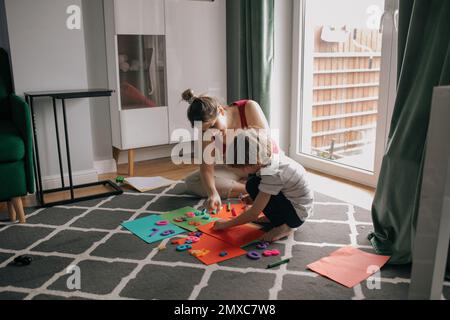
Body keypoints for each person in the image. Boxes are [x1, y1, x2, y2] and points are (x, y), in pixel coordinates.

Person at [213, 130, 314, 242]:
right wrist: (254, 198)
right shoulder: (270, 158)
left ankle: (285, 226)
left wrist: (226, 224)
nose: (241, 171)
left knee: (254, 185)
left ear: (251, 164)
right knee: (252, 184)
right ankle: (276, 218)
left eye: (241, 168)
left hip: (296, 216)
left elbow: (253, 214)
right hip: (298, 203)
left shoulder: (272, 172)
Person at [181, 89, 271, 210]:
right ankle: (250, 188)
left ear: (221, 111)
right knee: (192, 181)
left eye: (213, 125)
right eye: (204, 130)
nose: (212, 132)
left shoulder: (249, 107)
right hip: (235, 166)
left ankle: (257, 187)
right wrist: (212, 193)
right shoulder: (206, 131)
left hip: (261, 163)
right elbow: (206, 169)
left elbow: (267, 146)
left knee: (276, 179)